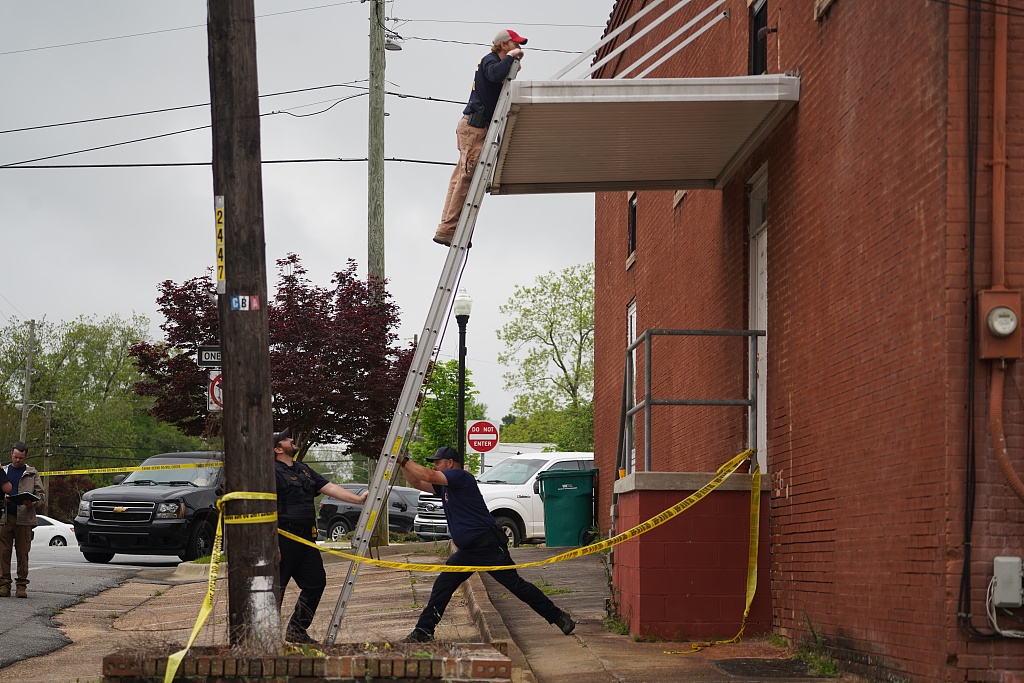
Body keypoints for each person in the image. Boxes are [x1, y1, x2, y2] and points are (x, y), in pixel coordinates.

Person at [398, 446, 575, 642]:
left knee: (516, 585)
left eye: (437, 462)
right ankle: (423, 631)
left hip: (487, 546)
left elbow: (429, 476)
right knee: (443, 585)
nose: (435, 466)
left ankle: (558, 617)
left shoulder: (460, 476)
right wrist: (400, 463)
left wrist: (404, 460)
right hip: (468, 551)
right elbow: (416, 481)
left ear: (450, 463)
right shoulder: (446, 486)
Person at [273, 427, 367, 644]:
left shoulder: (303, 469)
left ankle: (296, 630)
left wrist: (358, 499)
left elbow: (329, 487)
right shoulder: (270, 472)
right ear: (278, 449)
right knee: (275, 591)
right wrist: (270, 544)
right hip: (283, 539)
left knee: (316, 583)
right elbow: (265, 507)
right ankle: (266, 638)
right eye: (286, 439)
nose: (291, 439)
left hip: (306, 539)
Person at [434, 29, 527, 246]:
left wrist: (513, 64)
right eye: (516, 44)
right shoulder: (490, 61)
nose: (519, 48)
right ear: (504, 45)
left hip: (472, 127)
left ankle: (447, 227)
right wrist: (512, 59)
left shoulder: (493, 62)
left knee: (460, 177)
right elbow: (494, 74)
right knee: (467, 178)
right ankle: (449, 229)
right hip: (474, 128)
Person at [1, 442, 44, 599]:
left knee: (22, 553)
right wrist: (2, 497)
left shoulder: (32, 474)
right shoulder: (3, 471)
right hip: (5, 519)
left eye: (20, 457)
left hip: (24, 519)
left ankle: (21, 586)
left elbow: (41, 497)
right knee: (3, 553)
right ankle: (4, 585)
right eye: (15, 456)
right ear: (11, 453)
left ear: (25, 456)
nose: (17, 460)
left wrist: (32, 502)